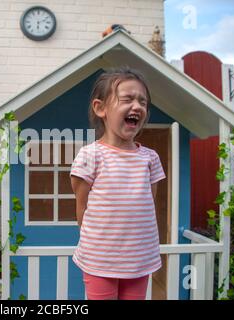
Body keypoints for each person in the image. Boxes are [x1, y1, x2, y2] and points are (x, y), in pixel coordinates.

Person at [70, 67, 166, 300]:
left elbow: (146, 205)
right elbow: (82, 208)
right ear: (100, 108)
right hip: (99, 259)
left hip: (140, 259)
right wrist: (102, 247)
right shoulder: (89, 156)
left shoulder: (150, 158)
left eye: (142, 102)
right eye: (127, 99)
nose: (137, 106)